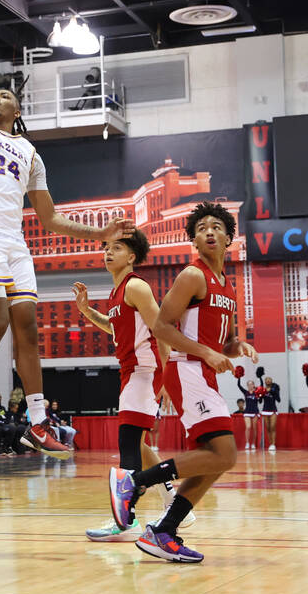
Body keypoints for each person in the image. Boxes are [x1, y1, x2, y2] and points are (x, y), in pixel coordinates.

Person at [0, 0, 131, 460]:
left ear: (18, 111)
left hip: (14, 244)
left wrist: (99, 235)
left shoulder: (32, 155)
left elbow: (50, 218)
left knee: (28, 333)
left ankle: (38, 422)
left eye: (4, 96)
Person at [108, 202, 256, 564]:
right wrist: (207, 354)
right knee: (225, 454)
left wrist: (237, 347)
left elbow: (224, 342)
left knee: (216, 460)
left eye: (217, 227)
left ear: (229, 239)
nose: (209, 231)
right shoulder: (193, 275)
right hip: (186, 368)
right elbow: (161, 327)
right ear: (193, 238)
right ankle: (135, 483)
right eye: (202, 227)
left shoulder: (228, 287)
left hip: (202, 370)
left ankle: (164, 531)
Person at [77, 229, 190, 541]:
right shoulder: (117, 293)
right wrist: (88, 312)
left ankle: (125, 522)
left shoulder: (136, 286)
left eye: (117, 247)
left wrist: (168, 376)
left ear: (131, 256)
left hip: (145, 370)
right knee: (138, 444)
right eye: (106, 247)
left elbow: (161, 327)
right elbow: (114, 326)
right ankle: (174, 502)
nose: (108, 252)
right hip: (132, 371)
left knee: (127, 443)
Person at [236, 378, 261, 450]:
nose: (250, 385)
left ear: (253, 385)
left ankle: (253, 443)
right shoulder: (246, 392)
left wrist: (260, 378)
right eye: (249, 384)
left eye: (251, 384)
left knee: (254, 428)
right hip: (247, 412)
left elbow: (261, 386)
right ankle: (247, 443)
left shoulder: (257, 392)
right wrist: (239, 377)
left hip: (255, 411)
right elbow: (239, 385)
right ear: (247, 386)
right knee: (248, 427)